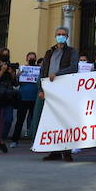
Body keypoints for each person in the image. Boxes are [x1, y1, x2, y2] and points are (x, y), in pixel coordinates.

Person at [38, 27, 79, 161]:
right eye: (58, 34)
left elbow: (74, 67)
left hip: (64, 89)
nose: (60, 36)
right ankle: (54, 151)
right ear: (55, 36)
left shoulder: (71, 51)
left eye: (63, 34)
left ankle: (66, 151)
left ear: (67, 37)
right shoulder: (49, 52)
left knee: (64, 120)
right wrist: (40, 89)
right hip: (49, 89)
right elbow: (43, 71)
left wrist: (57, 74)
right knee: (51, 120)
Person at [10, 51, 40, 146]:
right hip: (23, 98)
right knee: (20, 120)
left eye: (33, 58)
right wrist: (18, 75)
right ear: (27, 59)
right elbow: (15, 83)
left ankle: (34, 140)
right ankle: (15, 140)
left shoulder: (38, 69)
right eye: (30, 58)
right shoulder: (22, 69)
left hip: (35, 98)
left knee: (34, 120)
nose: (32, 59)